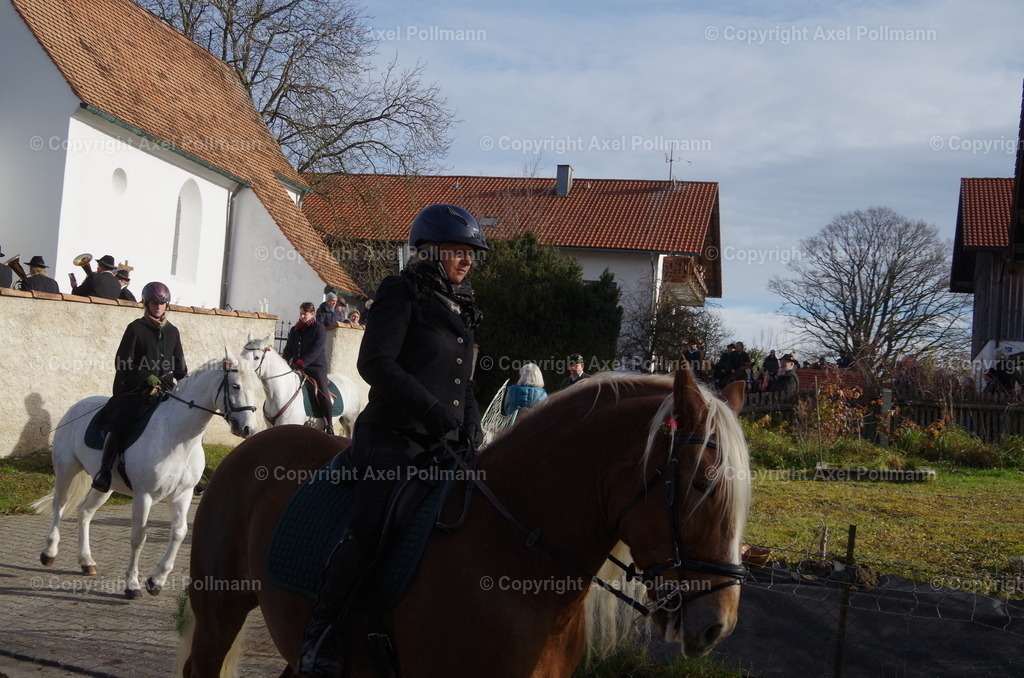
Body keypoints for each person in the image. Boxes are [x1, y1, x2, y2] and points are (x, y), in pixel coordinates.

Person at [296, 203, 487, 677]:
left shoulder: (462, 306)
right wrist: (431, 411)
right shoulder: (401, 292)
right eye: (457, 252)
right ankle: (321, 633)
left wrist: (471, 423)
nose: (466, 261)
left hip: (445, 442)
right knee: (374, 525)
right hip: (393, 436)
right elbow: (376, 363)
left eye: (471, 254)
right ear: (427, 251)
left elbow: (467, 382)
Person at [91, 282, 188, 492]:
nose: (158, 307)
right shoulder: (135, 328)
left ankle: (190, 471)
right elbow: (122, 362)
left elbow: (179, 365)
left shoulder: (173, 331)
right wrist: (146, 377)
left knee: (185, 419)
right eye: (154, 303)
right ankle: (104, 470)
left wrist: (187, 385)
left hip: (166, 389)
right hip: (135, 390)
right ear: (146, 304)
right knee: (121, 419)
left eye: (162, 303)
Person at [282, 302, 334, 436]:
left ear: (312, 314)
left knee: (322, 393)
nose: (302, 316)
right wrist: (285, 360)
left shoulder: (319, 328)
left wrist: (301, 362)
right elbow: (289, 348)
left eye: (305, 313)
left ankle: (329, 425)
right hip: (297, 367)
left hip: (316, 368)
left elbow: (316, 350)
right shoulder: (294, 330)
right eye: (301, 313)